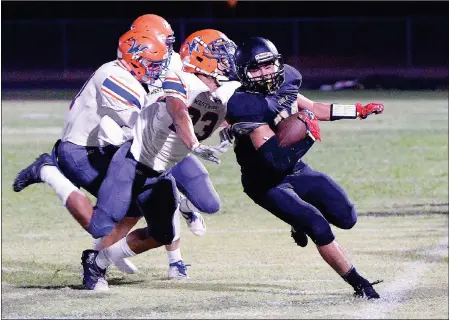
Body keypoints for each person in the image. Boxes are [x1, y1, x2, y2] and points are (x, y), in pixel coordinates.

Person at [219, 37, 384, 299]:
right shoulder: (245, 104)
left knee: (347, 218)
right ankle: (359, 284)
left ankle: (297, 221)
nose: (264, 74)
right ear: (243, 73)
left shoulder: (288, 81)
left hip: (295, 168)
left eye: (269, 65)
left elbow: (315, 109)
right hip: (265, 182)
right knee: (318, 226)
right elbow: (275, 160)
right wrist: (307, 136)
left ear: (278, 63)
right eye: (255, 69)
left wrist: (357, 110)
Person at [79, 28, 239, 291]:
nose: (227, 60)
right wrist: (194, 143)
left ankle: (97, 261)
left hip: (165, 166)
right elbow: (178, 111)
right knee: (102, 224)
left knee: (173, 226)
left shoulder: (221, 86)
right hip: (135, 158)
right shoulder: (177, 77)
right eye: (219, 55)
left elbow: (240, 113)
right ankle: (52, 172)